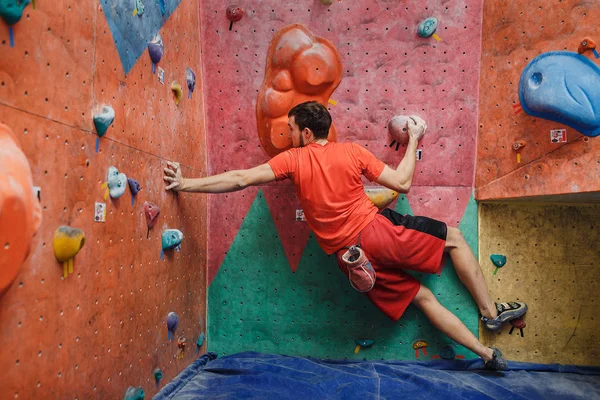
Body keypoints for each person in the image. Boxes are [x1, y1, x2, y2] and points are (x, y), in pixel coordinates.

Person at [163, 101, 527, 370]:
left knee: (424, 299)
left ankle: (487, 355)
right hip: (377, 233)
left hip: (350, 262)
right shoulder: (350, 152)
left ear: (306, 133)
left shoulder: (293, 160)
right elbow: (402, 182)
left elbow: (239, 178)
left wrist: (184, 184)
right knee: (455, 238)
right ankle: (490, 313)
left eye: (290, 130)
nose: (288, 137)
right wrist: (415, 137)